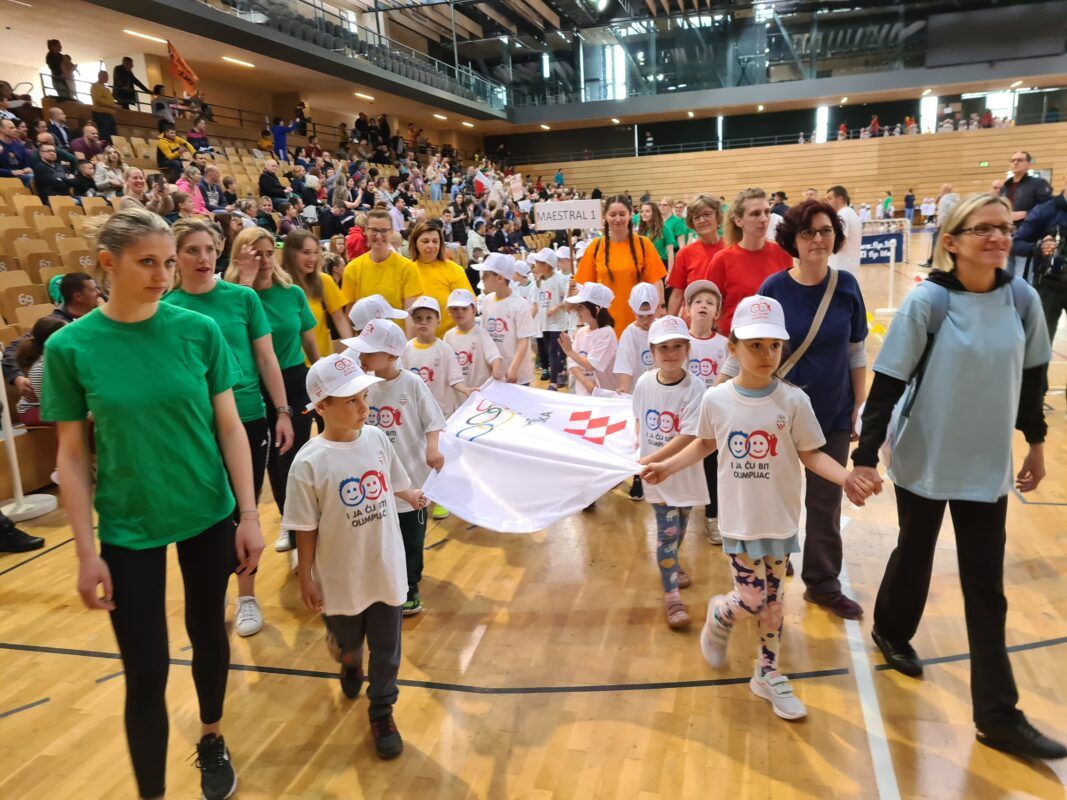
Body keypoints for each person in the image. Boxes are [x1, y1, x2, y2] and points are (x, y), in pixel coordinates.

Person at [42, 208, 263, 800]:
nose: (163, 274)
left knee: (207, 631)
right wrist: (86, 554)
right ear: (107, 264)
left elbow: (231, 428)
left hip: (207, 509)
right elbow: (70, 456)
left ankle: (212, 735)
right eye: (148, 262)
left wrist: (249, 514)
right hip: (128, 522)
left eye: (169, 261)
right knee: (146, 671)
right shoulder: (71, 346)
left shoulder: (198, 330)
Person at [848, 193, 1065, 761]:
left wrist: (1036, 445)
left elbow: (1033, 379)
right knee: (915, 553)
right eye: (982, 228)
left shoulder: (1023, 300)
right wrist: (865, 456)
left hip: (986, 466)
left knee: (985, 591)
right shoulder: (928, 303)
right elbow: (889, 382)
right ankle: (892, 629)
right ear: (951, 241)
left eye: (1003, 227)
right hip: (926, 456)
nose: (997, 237)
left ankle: (997, 716)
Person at [642, 295, 874, 721]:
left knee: (774, 601)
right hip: (740, 520)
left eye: (773, 345)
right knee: (750, 598)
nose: (766, 354)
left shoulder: (793, 402)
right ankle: (720, 613)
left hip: (780, 520)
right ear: (732, 349)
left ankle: (767, 673)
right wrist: (666, 466)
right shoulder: (717, 400)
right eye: (754, 345)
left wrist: (847, 477)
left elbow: (812, 454)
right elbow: (705, 444)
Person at [286, 353, 426, 759]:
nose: (364, 406)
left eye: (364, 396)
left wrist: (410, 494)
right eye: (350, 400)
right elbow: (305, 526)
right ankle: (348, 659)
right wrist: (306, 576)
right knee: (350, 640)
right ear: (321, 407)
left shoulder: (378, 439)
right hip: (340, 574)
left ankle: (381, 708)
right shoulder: (309, 463)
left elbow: (394, 478)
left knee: (386, 647)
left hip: (384, 566)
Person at [166, 219, 294, 638]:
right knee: (206, 513)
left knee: (244, 510)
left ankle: (247, 595)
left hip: (246, 416)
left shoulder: (242, 299)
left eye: (208, 249)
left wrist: (282, 410)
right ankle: (214, 585)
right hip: (193, 424)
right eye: (192, 251)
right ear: (176, 257)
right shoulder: (166, 306)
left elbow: (267, 359)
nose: (203, 258)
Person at [747, 201, 868, 619]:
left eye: (826, 230)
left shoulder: (848, 286)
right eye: (809, 232)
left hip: (831, 413)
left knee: (824, 501)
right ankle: (772, 568)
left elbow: (856, 351)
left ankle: (822, 583)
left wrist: (858, 405)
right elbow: (753, 350)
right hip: (776, 414)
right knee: (774, 496)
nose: (818, 239)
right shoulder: (772, 290)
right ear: (793, 241)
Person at [226, 226, 319, 553]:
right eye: (256, 254)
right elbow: (233, 335)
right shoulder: (230, 295)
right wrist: (245, 282)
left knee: (289, 459)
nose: (264, 260)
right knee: (267, 464)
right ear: (241, 255)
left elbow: (308, 338)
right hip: (251, 386)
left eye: (268, 253)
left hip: (293, 382)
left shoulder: (291, 292)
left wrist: (322, 378)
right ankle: (289, 525)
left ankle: (298, 531)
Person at [344, 320, 445, 617]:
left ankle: (411, 585)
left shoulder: (411, 383)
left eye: (369, 353)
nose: (362, 358)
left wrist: (432, 447)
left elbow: (433, 420)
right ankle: (386, 582)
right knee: (382, 534)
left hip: (412, 476)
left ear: (391, 355)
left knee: (411, 536)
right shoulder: (363, 387)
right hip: (376, 479)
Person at [632, 315, 709, 628]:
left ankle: (672, 563)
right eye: (664, 347)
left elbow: (689, 435)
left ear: (687, 348)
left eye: (678, 346)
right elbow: (638, 418)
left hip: (683, 471)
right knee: (667, 531)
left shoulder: (697, 387)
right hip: (655, 475)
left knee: (681, 525)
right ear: (652, 349)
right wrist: (642, 454)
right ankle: (672, 595)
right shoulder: (643, 383)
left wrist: (653, 458)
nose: (671, 352)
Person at [698, 188, 793, 333]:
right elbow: (710, 305)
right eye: (755, 214)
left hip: (774, 341)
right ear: (738, 220)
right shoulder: (722, 259)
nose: (763, 219)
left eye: (767, 212)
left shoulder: (782, 254)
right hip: (735, 342)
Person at [683, 280, 729, 544]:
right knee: (685, 467)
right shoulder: (680, 341)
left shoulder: (724, 344)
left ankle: (713, 517)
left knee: (713, 467)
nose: (703, 305)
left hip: (713, 419)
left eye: (710, 303)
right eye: (697, 301)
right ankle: (680, 514)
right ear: (687, 309)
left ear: (717, 313)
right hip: (685, 418)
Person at [576, 195, 666, 330]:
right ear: (605, 217)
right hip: (605, 324)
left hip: (640, 322)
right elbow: (585, 287)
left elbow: (656, 282)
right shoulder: (595, 246)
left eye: (622, 214)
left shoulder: (644, 244)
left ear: (630, 215)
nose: (617, 219)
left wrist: (659, 310)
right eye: (612, 214)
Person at [3, 272, 100, 398]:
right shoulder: (55, 325)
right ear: (78, 297)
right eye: (93, 290)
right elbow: (12, 350)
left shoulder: (98, 318)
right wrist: (18, 378)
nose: (99, 292)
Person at [1012, 171, 1067, 354]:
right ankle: (1036, 383)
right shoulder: (1045, 210)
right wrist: (1039, 247)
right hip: (1048, 289)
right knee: (1038, 351)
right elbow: (1016, 243)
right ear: (1064, 178)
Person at [282, 230, 353, 360]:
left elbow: (340, 319)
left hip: (322, 362)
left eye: (316, 252)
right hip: (291, 365)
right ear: (291, 254)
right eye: (305, 252)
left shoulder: (324, 281)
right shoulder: (279, 287)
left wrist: (352, 353)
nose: (313, 258)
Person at [341, 209, 423, 313]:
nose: (379, 236)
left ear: (391, 232)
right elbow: (350, 313)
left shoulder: (407, 267)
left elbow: (409, 313)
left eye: (384, 231)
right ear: (366, 230)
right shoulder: (352, 268)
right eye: (374, 230)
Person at [476, 253, 537, 386]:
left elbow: (523, 340)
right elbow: (486, 336)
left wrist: (513, 368)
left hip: (516, 375)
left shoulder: (520, 305)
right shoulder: (487, 300)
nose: (482, 278)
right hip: (496, 372)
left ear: (499, 278)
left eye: (486, 275)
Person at [407, 222, 474, 337]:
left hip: (450, 340)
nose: (431, 245)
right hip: (417, 342)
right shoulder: (407, 270)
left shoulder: (454, 269)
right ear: (415, 243)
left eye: (435, 241)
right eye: (425, 241)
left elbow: (470, 303)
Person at [403, 295, 467, 416]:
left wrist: (466, 390)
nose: (423, 322)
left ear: (438, 321)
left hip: (442, 413)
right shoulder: (405, 350)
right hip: (415, 413)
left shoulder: (445, 350)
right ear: (412, 321)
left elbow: (455, 379)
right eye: (418, 318)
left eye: (429, 318)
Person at [666, 195, 725, 316]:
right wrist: (670, 327)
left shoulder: (731, 249)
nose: (702, 220)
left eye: (707, 214)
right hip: (695, 324)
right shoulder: (685, 254)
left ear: (717, 216)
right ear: (691, 223)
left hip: (726, 323)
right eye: (696, 217)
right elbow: (677, 295)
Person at [444, 289, 503, 405]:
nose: (459, 312)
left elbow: (494, 356)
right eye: (455, 309)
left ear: (473, 310)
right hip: (458, 396)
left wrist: (496, 370)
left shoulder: (481, 334)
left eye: (464, 308)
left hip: (481, 394)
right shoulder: (448, 336)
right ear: (449, 311)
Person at [561, 282, 618, 395]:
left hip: (604, 395)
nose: (577, 311)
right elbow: (572, 362)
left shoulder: (607, 333)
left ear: (596, 310)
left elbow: (591, 365)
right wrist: (585, 382)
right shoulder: (581, 332)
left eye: (581, 307)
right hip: (583, 393)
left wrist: (569, 351)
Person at [14, 316, 67, 426]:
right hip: (34, 409)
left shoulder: (65, 358)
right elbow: (51, 406)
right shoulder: (40, 369)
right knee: (72, 420)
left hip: (57, 405)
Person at [531, 248, 570, 390]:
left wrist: (557, 307)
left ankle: (553, 383)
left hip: (557, 323)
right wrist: (528, 320)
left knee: (553, 351)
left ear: (546, 265)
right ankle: (561, 371)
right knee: (549, 351)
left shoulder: (558, 280)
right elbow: (535, 304)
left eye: (537, 263)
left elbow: (567, 300)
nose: (535, 266)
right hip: (544, 323)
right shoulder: (538, 282)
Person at [613, 282, 659, 395]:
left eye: (649, 316)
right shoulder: (629, 334)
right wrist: (623, 390)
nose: (645, 321)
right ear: (633, 310)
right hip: (638, 393)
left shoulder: (661, 329)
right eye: (641, 316)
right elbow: (625, 367)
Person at [825, 185, 863, 277]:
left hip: (840, 269)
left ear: (840, 199)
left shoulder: (843, 214)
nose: (827, 202)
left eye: (829, 198)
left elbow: (839, 243)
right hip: (848, 268)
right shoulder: (851, 213)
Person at [0, 117, 33, 187]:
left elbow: (26, 165)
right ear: (1, 129)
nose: (15, 130)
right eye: (11, 128)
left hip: (19, 176)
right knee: (31, 177)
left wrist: (27, 169)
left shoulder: (20, 146)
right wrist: (11, 172)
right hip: (3, 179)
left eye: (15, 127)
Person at [89, 71, 119, 143]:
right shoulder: (96, 86)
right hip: (101, 114)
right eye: (105, 76)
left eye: (107, 76)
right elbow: (98, 100)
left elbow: (109, 100)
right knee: (105, 135)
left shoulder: (107, 89)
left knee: (113, 135)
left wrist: (115, 105)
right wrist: (113, 105)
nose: (107, 78)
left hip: (108, 115)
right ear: (100, 76)